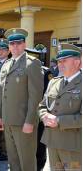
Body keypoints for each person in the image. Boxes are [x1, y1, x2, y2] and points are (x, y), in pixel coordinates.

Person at [0, 28, 44, 171]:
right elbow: (1, 93)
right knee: (13, 160)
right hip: (8, 121)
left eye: (18, 43)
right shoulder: (6, 64)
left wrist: (30, 121)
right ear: (9, 46)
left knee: (27, 161)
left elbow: (36, 97)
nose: (15, 46)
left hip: (24, 122)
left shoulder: (32, 63)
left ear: (24, 44)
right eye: (12, 44)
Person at [39, 43, 81, 171]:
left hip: (72, 144)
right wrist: (44, 116)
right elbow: (42, 106)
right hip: (52, 141)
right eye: (59, 61)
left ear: (77, 62)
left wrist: (58, 121)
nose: (60, 64)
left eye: (64, 61)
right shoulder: (54, 82)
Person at [0, 38, 10, 161]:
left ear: (8, 51)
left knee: (4, 129)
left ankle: (4, 152)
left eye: (3, 49)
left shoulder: (10, 63)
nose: (0, 51)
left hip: (5, 101)